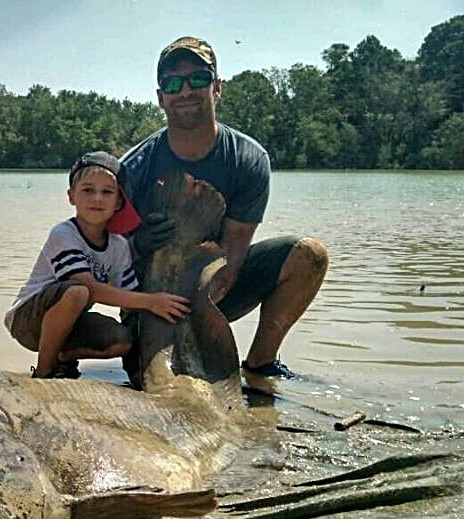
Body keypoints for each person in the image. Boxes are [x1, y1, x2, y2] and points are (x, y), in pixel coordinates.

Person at [120, 36, 329, 379]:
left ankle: (260, 365)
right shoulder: (133, 168)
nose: (185, 91)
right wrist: (137, 245)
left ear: (217, 88)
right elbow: (106, 259)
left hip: (213, 290)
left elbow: (233, 253)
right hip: (149, 301)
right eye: (172, 84)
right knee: (151, 378)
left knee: (309, 255)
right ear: (160, 98)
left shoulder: (248, 159)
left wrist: (201, 313)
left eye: (198, 79)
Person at [4, 152, 190, 379]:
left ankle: (62, 358)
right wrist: (152, 302)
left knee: (122, 340)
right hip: (28, 321)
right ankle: (44, 371)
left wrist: (169, 308)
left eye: (107, 192)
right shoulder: (64, 234)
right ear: (71, 196)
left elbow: (130, 298)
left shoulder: (119, 245)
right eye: (88, 190)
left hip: (70, 322)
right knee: (78, 291)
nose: (97, 199)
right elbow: (91, 289)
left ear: (118, 202)